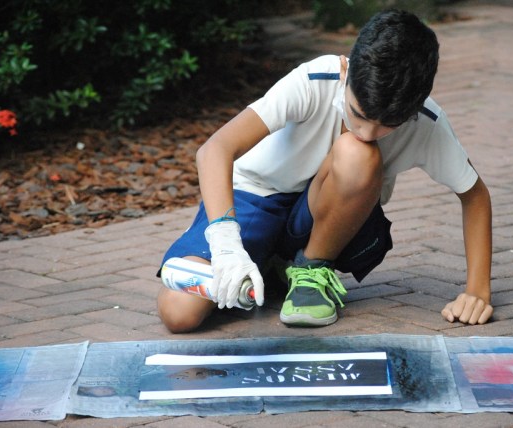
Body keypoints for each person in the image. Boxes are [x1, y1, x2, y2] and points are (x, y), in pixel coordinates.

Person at [157, 9, 493, 333]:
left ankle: (310, 271)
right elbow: (215, 149)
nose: (367, 133)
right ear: (346, 71)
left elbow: (474, 195)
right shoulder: (315, 79)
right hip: (255, 196)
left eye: (388, 125)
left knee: (357, 153)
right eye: (358, 114)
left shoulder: (426, 123)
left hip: (323, 218)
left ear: (415, 107)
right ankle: (270, 265)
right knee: (179, 313)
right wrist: (226, 245)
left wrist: (477, 291)